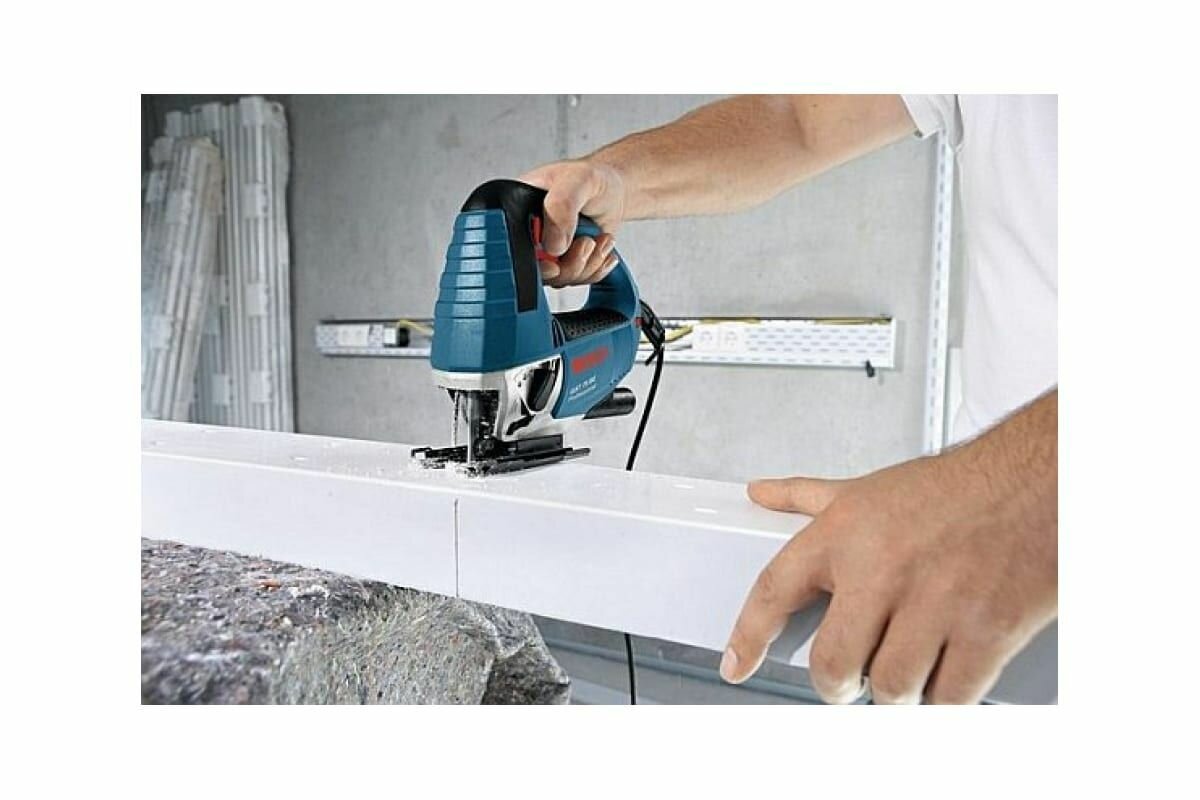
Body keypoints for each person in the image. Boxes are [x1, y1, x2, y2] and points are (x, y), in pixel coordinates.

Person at [521, 95, 1057, 705]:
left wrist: (1010, 489)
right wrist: (615, 181)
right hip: (963, 596)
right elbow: (799, 121)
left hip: (1000, 546)